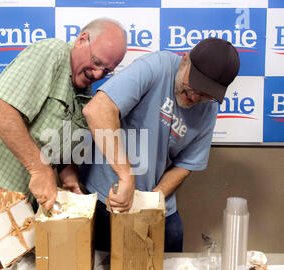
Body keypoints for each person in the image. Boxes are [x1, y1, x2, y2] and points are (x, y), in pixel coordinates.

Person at [0, 18, 127, 210]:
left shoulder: (84, 92)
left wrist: (68, 176)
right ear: (82, 39)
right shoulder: (52, 52)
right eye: (96, 62)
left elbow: (57, 147)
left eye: (107, 71)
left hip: (15, 200)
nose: (97, 74)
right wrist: (39, 169)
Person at [80, 37, 240, 252]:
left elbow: (186, 164)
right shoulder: (156, 66)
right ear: (185, 61)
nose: (195, 96)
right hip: (107, 196)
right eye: (194, 86)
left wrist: (151, 201)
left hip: (155, 200)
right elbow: (97, 110)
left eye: (206, 94)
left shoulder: (209, 108)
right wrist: (126, 176)